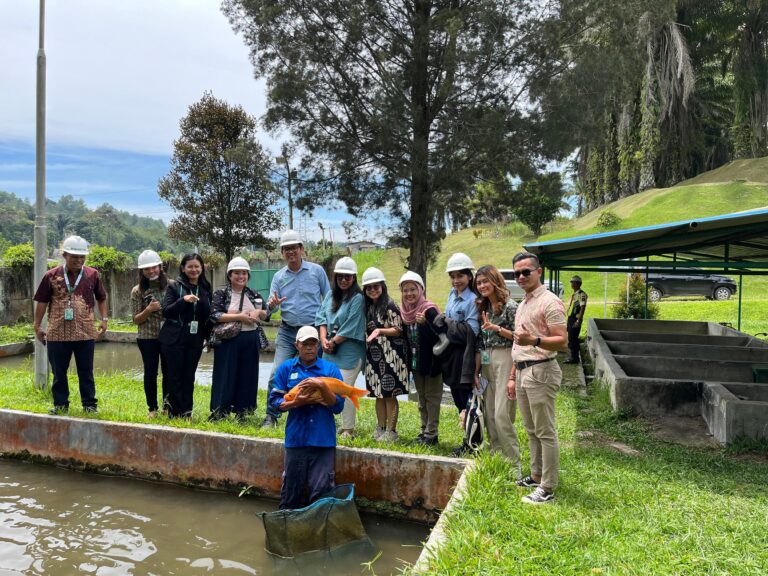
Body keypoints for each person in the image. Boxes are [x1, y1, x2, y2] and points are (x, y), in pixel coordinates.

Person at [510, 252, 568, 504]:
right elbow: (517, 345)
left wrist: (534, 340)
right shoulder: (523, 303)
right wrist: (513, 375)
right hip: (523, 370)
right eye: (517, 273)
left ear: (539, 271)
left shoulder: (550, 302)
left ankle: (548, 487)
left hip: (541, 369)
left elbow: (562, 341)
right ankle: (535, 475)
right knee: (531, 429)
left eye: (526, 272)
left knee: (545, 431)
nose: (521, 277)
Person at [268, 326, 345, 510]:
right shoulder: (286, 368)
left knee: (321, 493)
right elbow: (274, 402)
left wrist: (322, 387)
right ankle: (288, 531)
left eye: (313, 343)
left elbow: (338, 406)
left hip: (323, 440)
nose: (309, 348)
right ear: (297, 345)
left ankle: (317, 533)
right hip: (296, 440)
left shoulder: (330, 369)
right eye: (305, 344)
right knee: (290, 493)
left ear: (318, 345)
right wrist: (296, 402)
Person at [262, 229, 331, 427]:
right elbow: (268, 309)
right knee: (277, 372)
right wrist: (273, 305)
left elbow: (328, 301)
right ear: (282, 253)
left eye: (294, 248)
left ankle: (317, 414)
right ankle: (271, 415)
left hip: (313, 331)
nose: (291, 252)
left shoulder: (317, 271)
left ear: (302, 249)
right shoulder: (278, 277)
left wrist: (327, 331)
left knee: (315, 374)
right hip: (288, 331)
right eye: (286, 249)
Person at [33, 235, 108, 414]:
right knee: (59, 373)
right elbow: (42, 301)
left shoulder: (92, 274)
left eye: (82, 257)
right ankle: (60, 405)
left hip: (85, 331)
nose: (79, 260)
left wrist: (104, 319)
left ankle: (89, 405)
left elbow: (102, 297)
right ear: (64, 255)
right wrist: (37, 325)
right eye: (74, 256)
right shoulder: (51, 275)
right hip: (57, 332)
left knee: (86, 372)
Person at [473, 265, 521, 478]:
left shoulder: (511, 306)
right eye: (479, 282)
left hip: (505, 357)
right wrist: (476, 371)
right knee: (490, 413)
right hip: (486, 361)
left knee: (502, 414)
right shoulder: (483, 307)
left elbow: (522, 337)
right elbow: (480, 342)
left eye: (485, 281)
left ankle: (514, 466)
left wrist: (497, 329)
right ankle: (495, 459)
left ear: (495, 281)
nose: (482, 285)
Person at [209, 257, 268, 421]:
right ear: (229, 275)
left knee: (248, 376)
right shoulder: (221, 293)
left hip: (250, 339)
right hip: (228, 340)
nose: (241, 276)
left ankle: (244, 412)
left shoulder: (253, 294)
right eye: (237, 273)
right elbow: (214, 315)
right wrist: (240, 317)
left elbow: (267, 314)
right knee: (224, 375)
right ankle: (220, 411)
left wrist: (259, 312)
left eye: (244, 273)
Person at [316, 257, 366, 439]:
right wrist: (323, 340)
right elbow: (321, 317)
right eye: (340, 277)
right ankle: (336, 424)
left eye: (348, 276)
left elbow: (352, 325)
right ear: (335, 277)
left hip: (349, 352)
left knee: (345, 389)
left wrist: (333, 342)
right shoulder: (330, 295)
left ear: (353, 278)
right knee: (329, 388)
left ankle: (348, 429)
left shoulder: (358, 298)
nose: (344, 280)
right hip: (329, 350)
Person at [159, 253, 212, 419]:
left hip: (194, 339)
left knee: (189, 376)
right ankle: (174, 413)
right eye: (190, 266)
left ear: (202, 268)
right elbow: (166, 311)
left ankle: (187, 412)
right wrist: (183, 300)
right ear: (183, 268)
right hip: (173, 338)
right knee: (175, 377)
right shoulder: (174, 286)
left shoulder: (205, 288)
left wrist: (208, 337)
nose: (194, 270)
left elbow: (207, 316)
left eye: (197, 266)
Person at [361, 267, 409, 443]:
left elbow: (398, 329)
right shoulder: (369, 306)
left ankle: (392, 430)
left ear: (383, 286)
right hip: (374, 356)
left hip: (392, 355)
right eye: (369, 288)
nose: (373, 290)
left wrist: (380, 331)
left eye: (376, 286)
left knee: (390, 393)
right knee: (378, 394)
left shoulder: (389, 304)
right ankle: (380, 427)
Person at [399, 271, 442, 446]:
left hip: (432, 363)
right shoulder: (405, 312)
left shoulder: (429, 309)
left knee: (432, 398)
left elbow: (441, 336)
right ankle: (424, 430)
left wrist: (425, 324)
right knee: (421, 399)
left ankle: (432, 434)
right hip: (416, 363)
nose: (409, 294)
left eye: (413, 289)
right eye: (405, 290)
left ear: (421, 290)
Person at [435, 252, 479, 422]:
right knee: (457, 398)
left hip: (464, 356)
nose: (456, 280)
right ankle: (467, 439)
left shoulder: (473, 300)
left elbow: (471, 332)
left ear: (469, 276)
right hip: (451, 354)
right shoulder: (452, 294)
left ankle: (472, 441)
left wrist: (446, 321)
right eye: (452, 276)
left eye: (460, 276)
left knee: (467, 399)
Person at [130, 249, 169, 417]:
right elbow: (136, 319)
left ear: (160, 267)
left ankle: (167, 407)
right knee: (150, 373)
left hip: (168, 336)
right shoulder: (137, 290)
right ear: (142, 271)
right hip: (147, 338)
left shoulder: (172, 285)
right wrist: (149, 309)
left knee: (169, 372)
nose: (151, 271)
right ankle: (152, 408)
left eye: (154, 267)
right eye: (147, 269)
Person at [565, 275, 588, 364]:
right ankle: (574, 356)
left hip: (575, 319)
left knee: (573, 338)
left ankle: (574, 358)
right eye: (571, 282)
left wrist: (578, 320)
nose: (572, 284)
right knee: (571, 338)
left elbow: (583, 307)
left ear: (579, 284)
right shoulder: (575, 294)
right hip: (571, 318)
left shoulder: (582, 294)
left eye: (574, 282)